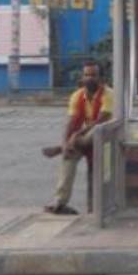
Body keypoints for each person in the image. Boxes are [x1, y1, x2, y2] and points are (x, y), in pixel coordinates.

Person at [43, 59, 114, 214]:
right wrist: (65, 142)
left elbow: (100, 120)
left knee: (96, 130)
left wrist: (76, 135)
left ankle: (61, 148)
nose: (90, 78)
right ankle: (59, 201)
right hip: (84, 140)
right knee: (68, 157)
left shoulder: (108, 94)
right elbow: (70, 122)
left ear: (101, 77)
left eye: (93, 75)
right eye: (87, 75)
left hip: (106, 136)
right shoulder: (77, 95)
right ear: (82, 77)